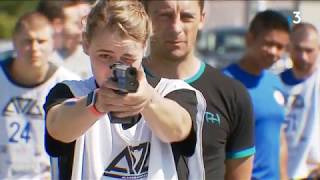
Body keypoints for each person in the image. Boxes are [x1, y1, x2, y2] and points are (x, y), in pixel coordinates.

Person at [44, 0, 206, 179]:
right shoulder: (71, 92)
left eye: (128, 58)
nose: (116, 67)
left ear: (144, 48)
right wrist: (97, 104)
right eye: (105, 56)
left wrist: (147, 100)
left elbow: (179, 129)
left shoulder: (174, 91)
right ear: (86, 44)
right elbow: (57, 128)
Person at [142, 0, 255, 179]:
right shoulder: (122, 86)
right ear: (145, 17)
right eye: (165, 15)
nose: (176, 27)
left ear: (202, 19)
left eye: (187, 17)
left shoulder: (232, 94)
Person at [0, 12, 78, 179]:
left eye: (41, 41)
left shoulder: (68, 84)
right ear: (14, 41)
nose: (34, 48)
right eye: (27, 41)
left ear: (53, 43)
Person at [224, 10, 290, 180]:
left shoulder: (277, 84)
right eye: (269, 43)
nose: (275, 52)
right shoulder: (224, 83)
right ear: (250, 39)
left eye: (280, 47)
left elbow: (280, 139)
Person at [280, 23, 320, 179]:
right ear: (289, 47)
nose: (303, 56)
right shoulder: (273, 84)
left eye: (309, 50)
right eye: (298, 49)